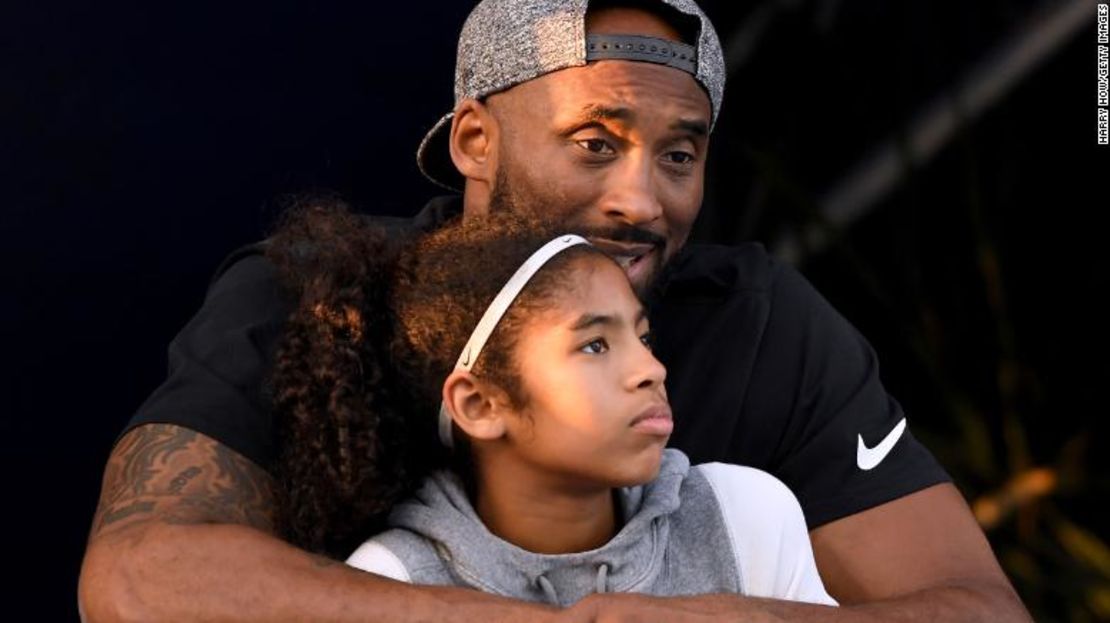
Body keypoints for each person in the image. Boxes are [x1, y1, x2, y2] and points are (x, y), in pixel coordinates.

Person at [78, 0, 1031, 621]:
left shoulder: (758, 328)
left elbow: (980, 609)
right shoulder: (320, 296)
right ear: (476, 139)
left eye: (680, 155)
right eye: (593, 142)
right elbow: (137, 579)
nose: (642, 200)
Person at [263, 203, 837, 607]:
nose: (650, 370)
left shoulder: (743, 515)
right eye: (594, 345)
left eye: (643, 337)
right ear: (481, 403)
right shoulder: (393, 583)